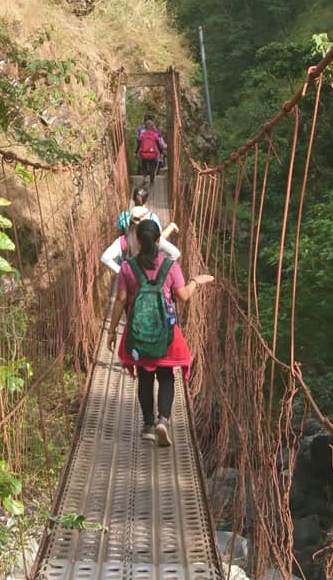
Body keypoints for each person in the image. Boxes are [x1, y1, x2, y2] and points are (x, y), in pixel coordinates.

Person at [107, 218, 214, 446]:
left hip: (139, 332)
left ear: (137, 240)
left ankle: (147, 426)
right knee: (166, 376)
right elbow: (183, 296)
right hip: (166, 331)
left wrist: (111, 331)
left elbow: (120, 301)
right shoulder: (170, 266)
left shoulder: (127, 267)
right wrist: (196, 280)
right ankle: (163, 421)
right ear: (159, 240)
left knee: (145, 377)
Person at [100, 205, 179, 274]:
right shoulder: (154, 239)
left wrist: (122, 271)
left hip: (131, 284)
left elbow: (105, 258)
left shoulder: (123, 241)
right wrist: (162, 270)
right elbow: (175, 253)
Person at [136, 119, 165, 186]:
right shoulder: (155, 135)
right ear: (152, 127)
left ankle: (145, 177)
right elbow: (158, 145)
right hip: (153, 154)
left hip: (144, 153)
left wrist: (136, 152)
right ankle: (151, 181)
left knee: (144, 165)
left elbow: (139, 145)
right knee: (152, 167)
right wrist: (161, 153)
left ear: (145, 127)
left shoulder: (142, 135)